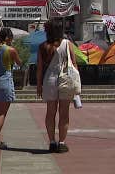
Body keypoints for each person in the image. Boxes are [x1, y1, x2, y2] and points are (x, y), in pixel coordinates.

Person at [37, 19, 79, 153]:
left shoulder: (43, 46)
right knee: (64, 113)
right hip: (65, 79)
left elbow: (39, 68)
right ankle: (61, 142)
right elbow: (74, 64)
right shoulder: (68, 44)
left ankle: (52, 142)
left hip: (49, 80)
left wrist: (39, 85)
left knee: (50, 112)